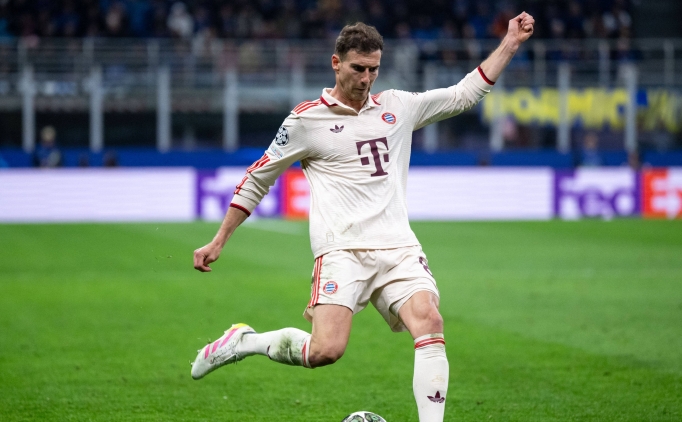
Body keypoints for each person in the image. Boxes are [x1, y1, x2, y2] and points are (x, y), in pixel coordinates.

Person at [191, 14, 535, 422]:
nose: (366, 78)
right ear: (336, 63)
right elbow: (257, 179)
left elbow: (464, 94)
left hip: (398, 247)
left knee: (430, 320)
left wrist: (510, 42)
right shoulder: (306, 121)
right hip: (342, 250)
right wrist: (219, 240)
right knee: (325, 351)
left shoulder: (398, 107)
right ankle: (245, 341)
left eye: (374, 69)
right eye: (358, 68)